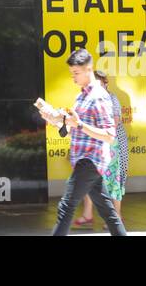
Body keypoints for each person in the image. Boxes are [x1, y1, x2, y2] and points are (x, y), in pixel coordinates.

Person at [41, 49, 127, 236]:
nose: (73, 78)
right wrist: (54, 119)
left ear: (89, 69)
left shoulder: (99, 96)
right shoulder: (81, 96)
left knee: (66, 206)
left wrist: (79, 124)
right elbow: (71, 127)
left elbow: (110, 134)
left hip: (91, 160)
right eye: (72, 73)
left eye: (76, 73)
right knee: (108, 212)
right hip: (86, 161)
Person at [76, 69, 127, 228]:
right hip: (94, 144)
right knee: (90, 178)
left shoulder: (111, 98)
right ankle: (88, 214)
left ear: (106, 83)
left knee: (113, 180)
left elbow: (115, 122)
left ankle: (116, 216)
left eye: (100, 82)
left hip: (111, 144)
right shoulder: (88, 99)